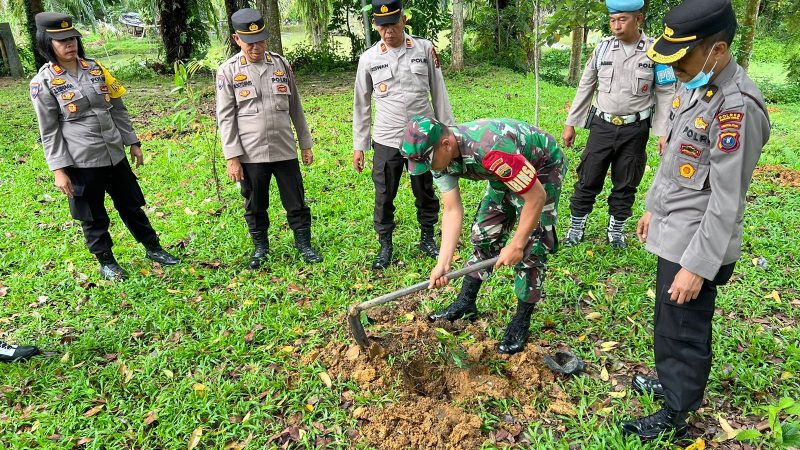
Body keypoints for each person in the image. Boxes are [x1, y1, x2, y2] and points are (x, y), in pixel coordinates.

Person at [620, 0, 770, 440]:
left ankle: (677, 412)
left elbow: (726, 202)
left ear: (717, 51)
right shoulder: (699, 85)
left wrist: (696, 267)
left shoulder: (735, 109)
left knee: (683, 329)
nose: (674, 67)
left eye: (682, 57)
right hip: (677, 229)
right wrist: (653, 206)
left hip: (697, 247)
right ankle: (670, 384)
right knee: (668, 320)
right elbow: (678, 160)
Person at [29, 12, 180, 281]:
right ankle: (107, 262)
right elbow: (49, 130)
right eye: (61, 40)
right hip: (81, 160)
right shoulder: (43, 82)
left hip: (113, 153)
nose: (69, 44)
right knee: (93, 215)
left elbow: (118, 109)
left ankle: (153, 248)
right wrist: (58, 170)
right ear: (46, 43)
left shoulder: (95, 68)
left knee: (131, 205)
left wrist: (132, 142)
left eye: (72, 38)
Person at [400, 116, 566, 354]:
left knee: (532, 246)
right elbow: (452, 209)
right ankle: (466, 303)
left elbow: (536, 197)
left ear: (446, 144)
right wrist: (443, 262)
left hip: (542, 166)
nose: (430, 168)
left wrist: (517, 244)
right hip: (505, 171)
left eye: (429, 161)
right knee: (485, 234)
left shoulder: (491, 150)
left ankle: (521, 322)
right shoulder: (437, 156)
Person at [562, 0, 675, 249]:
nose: (616, 26)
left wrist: (663, 132)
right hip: (601, 126)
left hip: (636, 129)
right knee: (587, 177)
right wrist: (571, 123)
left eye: (622, 19)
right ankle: (576, 226)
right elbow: (585, 86)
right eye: (612, 20)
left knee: (626, 180)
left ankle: (616, 230)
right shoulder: (602, 49)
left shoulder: (656, 51)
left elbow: (666, 92)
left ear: (638, 19)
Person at [352, 0, 455, 270]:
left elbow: (439, 92)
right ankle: (385, 244)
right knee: (385, 194)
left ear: (404, 20)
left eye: (393, 24)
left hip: (423, 138)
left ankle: (427, 237)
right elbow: (361, 104)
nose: (388, 31)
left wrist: (448, 132)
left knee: (425, 190)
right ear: (375, 25)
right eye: (382, 26)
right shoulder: (369, 58)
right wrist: (359, 146)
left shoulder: (424, 49)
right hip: (387, 138)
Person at [216, 8, 322, 269]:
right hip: (251, 154)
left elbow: (296, 107)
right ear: (236, 39)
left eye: (261, 40)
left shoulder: (281, 64)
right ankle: (261, 248)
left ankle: (304, 245)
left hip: (284, 148)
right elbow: (225, 117)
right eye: (249, 42)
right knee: (255, 204)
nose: (256, 47)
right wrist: (232, 157)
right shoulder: (228, 71)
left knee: (296, 201)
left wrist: (305, 144)